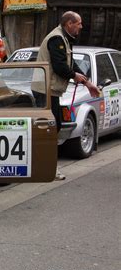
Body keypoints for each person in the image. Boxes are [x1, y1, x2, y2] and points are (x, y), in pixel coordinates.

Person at [32, 11, 100, 180]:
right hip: (45, 89)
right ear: (69, 23)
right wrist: (75, 76)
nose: (81, 26)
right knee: (50, 129)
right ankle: (46, 168)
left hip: (51, 89)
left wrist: (87, 82)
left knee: (55, 127)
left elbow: (70, 64)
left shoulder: (64, 39)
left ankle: (45, 166)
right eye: (79, 23)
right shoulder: (57, 39)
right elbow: (60, 66)